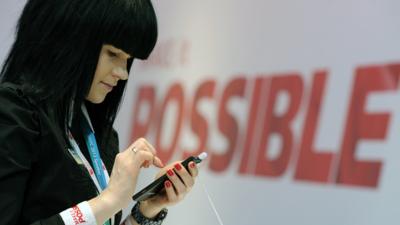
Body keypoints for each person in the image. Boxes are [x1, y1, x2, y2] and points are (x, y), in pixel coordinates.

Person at [0, 0, 199, 224]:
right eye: (113, 54)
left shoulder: (100, 135)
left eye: (129, 59)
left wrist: (146, 212)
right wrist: (108, 201)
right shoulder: (12, 112)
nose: (123, 73)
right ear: (70, 39)